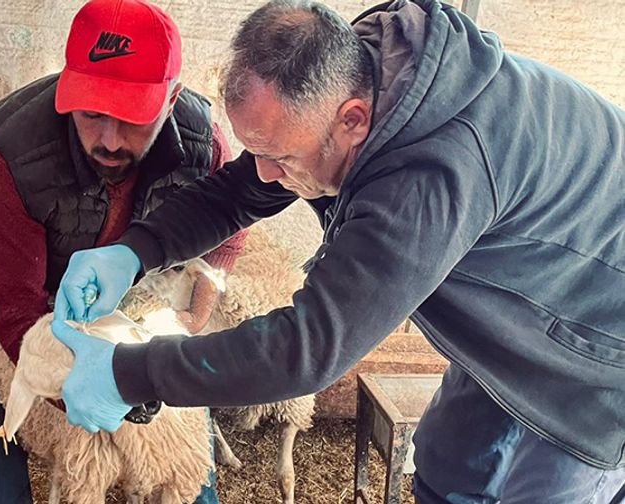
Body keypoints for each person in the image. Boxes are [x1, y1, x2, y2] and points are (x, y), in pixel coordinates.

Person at [51, 0, 625, 502]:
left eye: (281, 156)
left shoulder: (431, 175)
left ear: (351, 120)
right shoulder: (357, 72)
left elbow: (309, 348)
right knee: (449, 464)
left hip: (595, 352)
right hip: (520, 314)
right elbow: (241, 189)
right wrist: (133, 251)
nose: (268, 175)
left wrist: (129, 375)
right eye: (257, 149)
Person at [0, 0, 246, 502]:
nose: (108, 139)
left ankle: (198, 492)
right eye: (91, 113)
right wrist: (81, 391)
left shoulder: (204, 144)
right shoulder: (13, 152)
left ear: (171, 99)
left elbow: (231, 230)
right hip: (39, 288)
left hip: (144, 295)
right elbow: (13, 304)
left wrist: (194, 319)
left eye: (132, 118)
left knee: (183, 419)